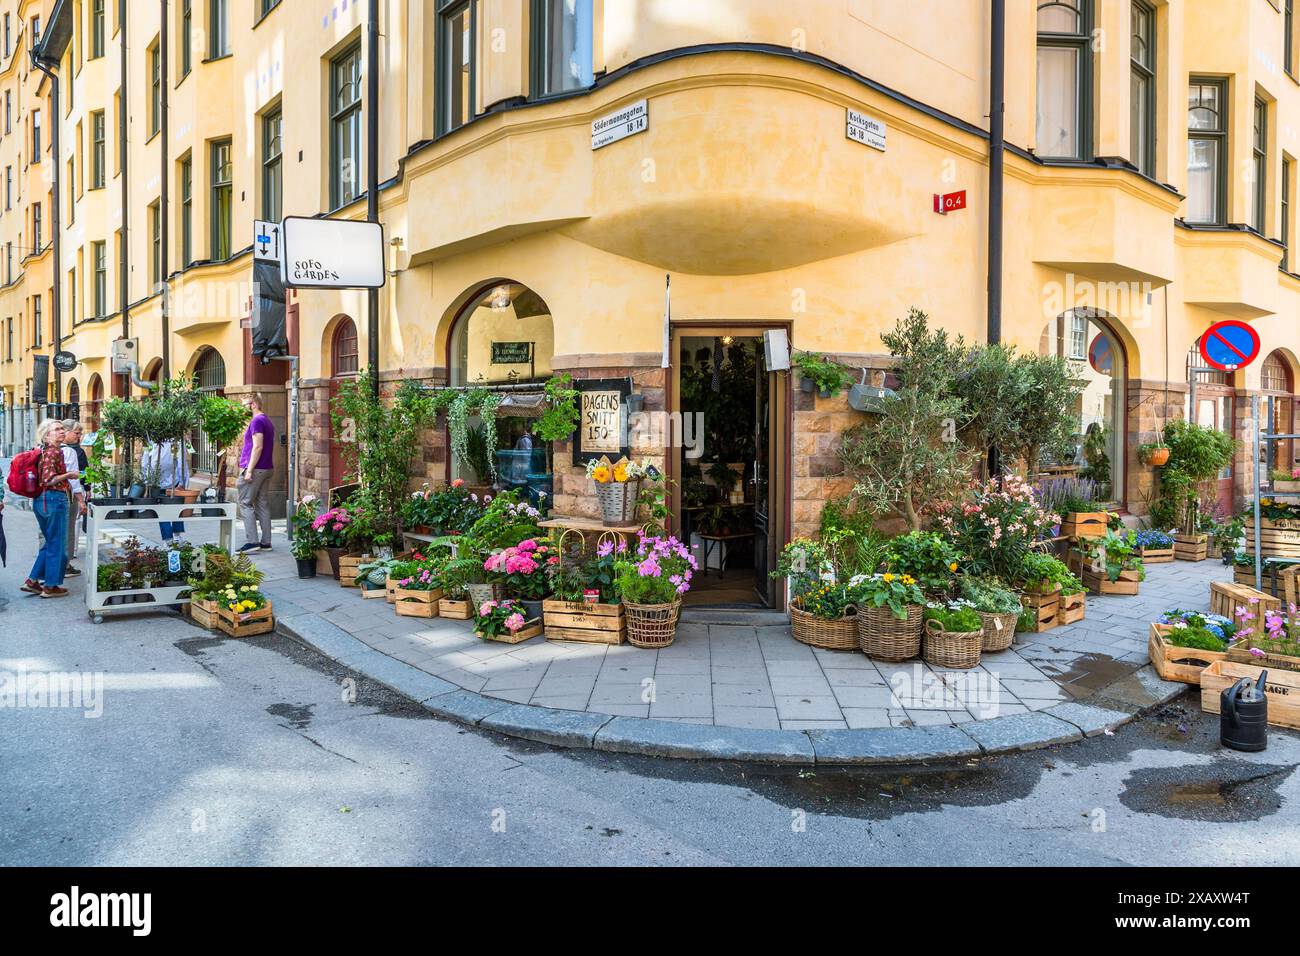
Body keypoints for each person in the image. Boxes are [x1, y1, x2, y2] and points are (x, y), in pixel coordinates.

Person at [23, 419, 77, 598]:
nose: (62, 432)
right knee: (58, 545)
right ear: (47, 434)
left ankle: (32, 581)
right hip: (54, 499)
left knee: (49, 542)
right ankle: (51, 586)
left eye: (62, 429)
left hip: (41, 500)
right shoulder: (54, 451)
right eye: (57, 429)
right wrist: (69, 474)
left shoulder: (42, 450)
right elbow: (48, 479)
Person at [236, 392, 275, 553]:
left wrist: (249, 470)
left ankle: (252, 542)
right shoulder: (267, 420)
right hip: (267, 468)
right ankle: (266, 542)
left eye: (244, 404)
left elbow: (257, 446)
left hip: (255, 469)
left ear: (253, 404)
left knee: (245, 503)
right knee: (262, 504)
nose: (243, 408)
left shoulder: (257, 421)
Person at [143, 438, 191, 542]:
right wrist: (183, 482)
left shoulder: (153, 438)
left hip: (159, 480)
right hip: (171, 481)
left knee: (163, 510)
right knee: (175, 508)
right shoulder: (177, 440)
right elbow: (181, 463)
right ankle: (176, 536)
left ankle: (168, 539)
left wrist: (146, 478)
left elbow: (145, 460)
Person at [61, 420, 88, 574]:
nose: (78, 436)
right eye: (76, 433)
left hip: (46, 497)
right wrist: (81, 500)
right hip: (66, 495)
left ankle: (46, 569)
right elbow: (74, 479)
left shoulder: (44, 448)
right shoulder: (70, 451)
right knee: (69, 530)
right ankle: (65, 565)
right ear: (65, 431)